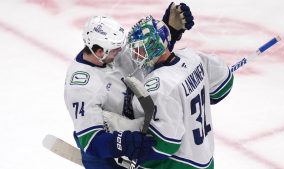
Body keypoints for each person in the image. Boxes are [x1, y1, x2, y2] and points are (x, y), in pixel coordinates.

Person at [64, 2, 195, 169]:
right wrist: (125, 143)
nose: (121, 51)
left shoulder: (113, 53)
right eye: (115, 49)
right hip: (106, 154)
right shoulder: (82, 85)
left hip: (139, 135)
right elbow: (91, 141)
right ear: (99, 51)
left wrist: (169, 31)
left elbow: (147, 57)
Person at [126, 15, 234, 169]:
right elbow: (222, 88)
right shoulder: (192, 57)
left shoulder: (158, 87)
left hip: (177, 164)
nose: (137, 55)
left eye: (140, 49)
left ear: (153, 47)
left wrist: (128, 150)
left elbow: (165, 144)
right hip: (205, 161)